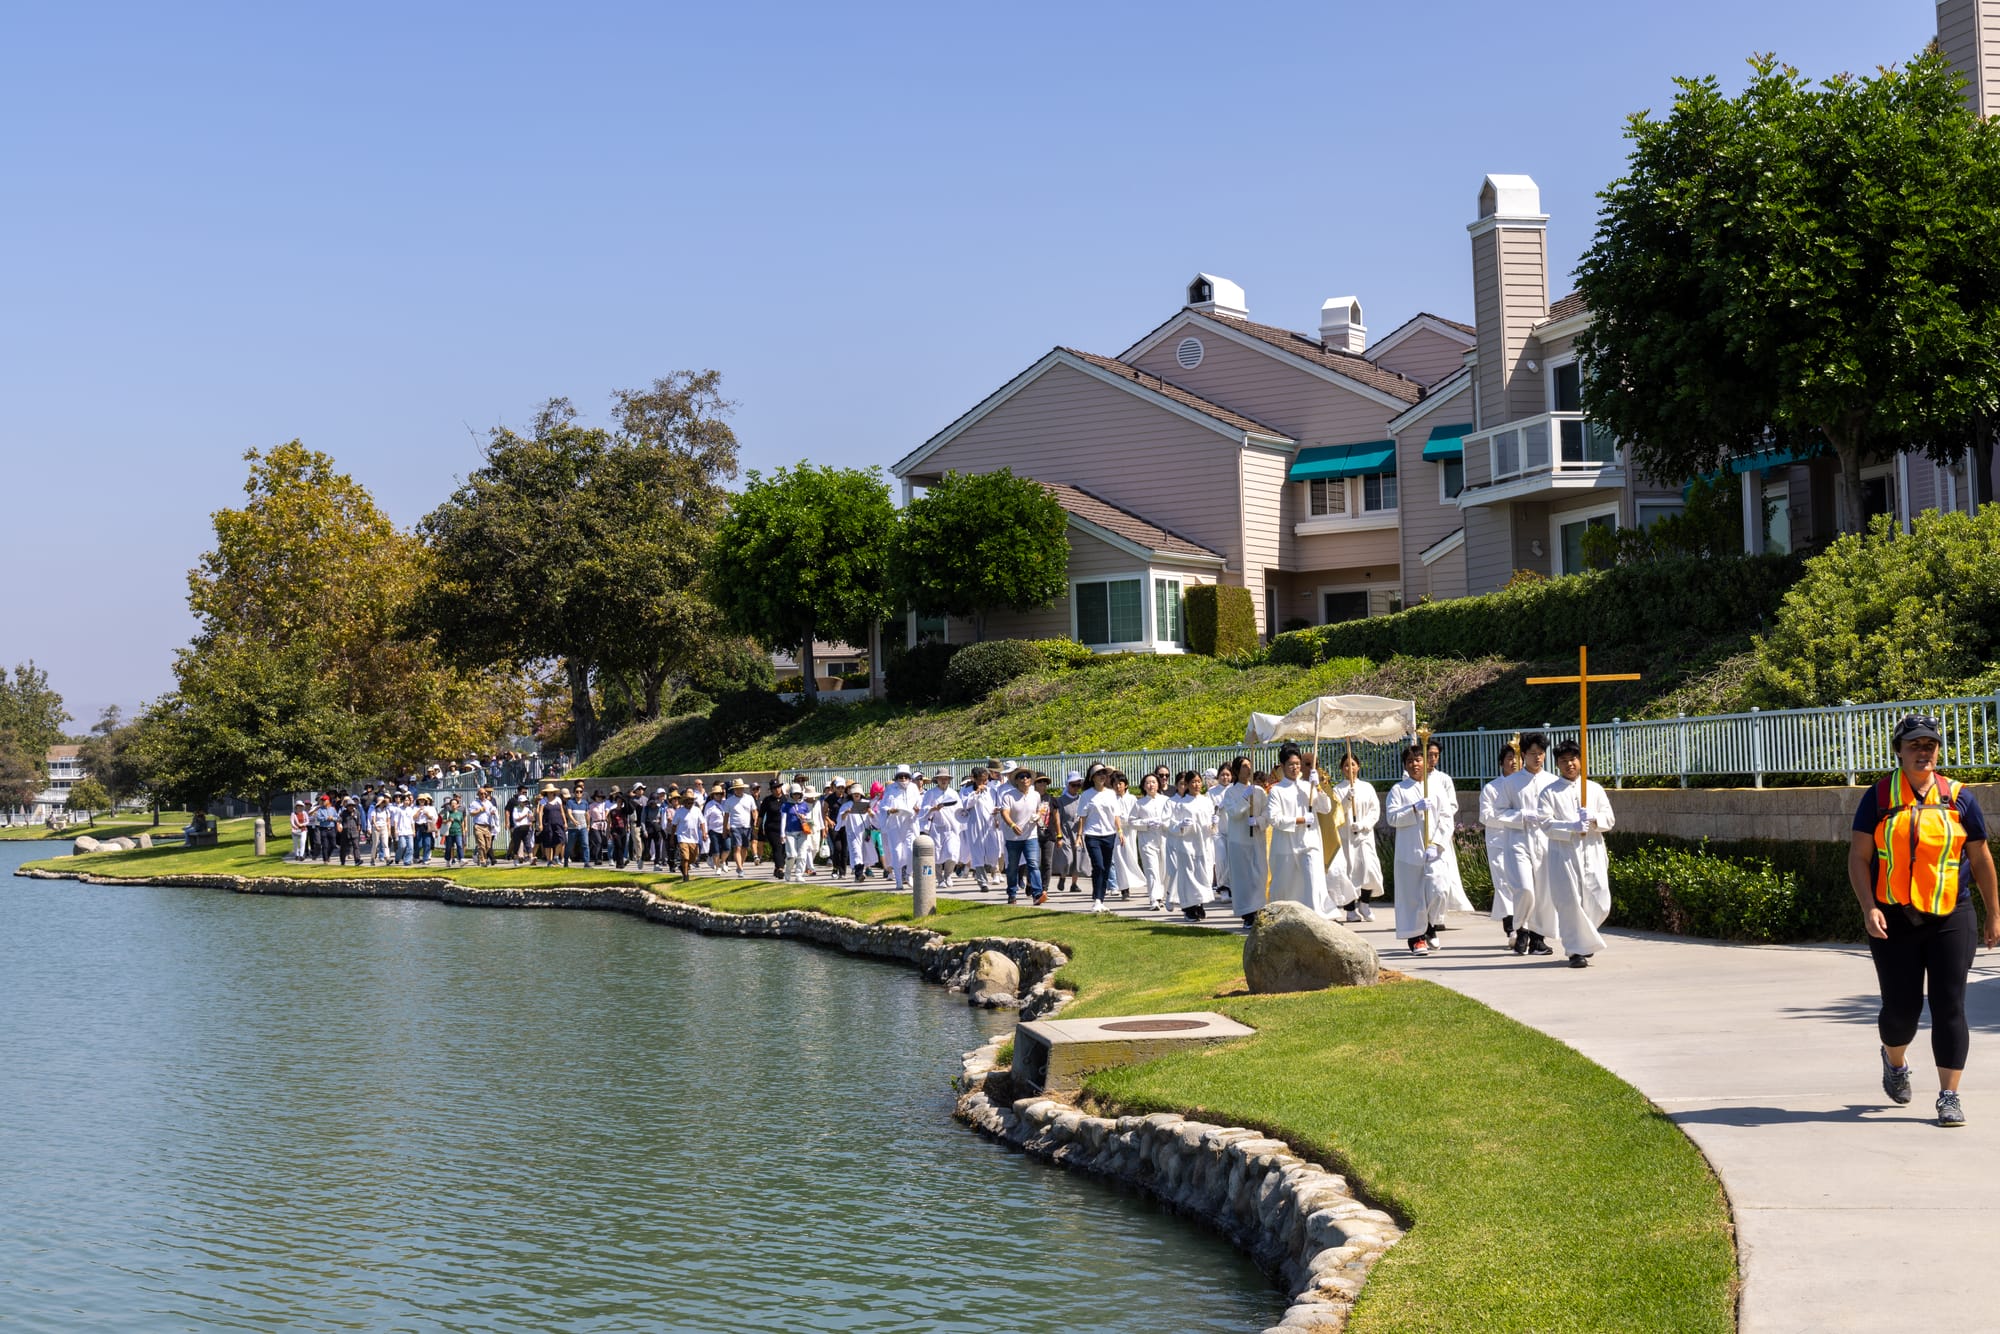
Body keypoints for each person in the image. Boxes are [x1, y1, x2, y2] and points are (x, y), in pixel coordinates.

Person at [1849, 714, 2000, 1127]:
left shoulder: (1959, 798)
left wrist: (1994, 915)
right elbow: (1859, 857)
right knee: (1902, 1010)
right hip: (1894, 919)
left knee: (1951, 1005)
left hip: (1953, 914)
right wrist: (1869, 906)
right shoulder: (1879, 796)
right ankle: (1894, 1060)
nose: (1923, 751)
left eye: (1930, 745)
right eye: (1914, 745)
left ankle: (1949, 1096)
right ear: (1898, 750)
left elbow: (1981, 858)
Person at [1538, 740, 1615, 969]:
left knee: (1600, 900)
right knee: (1570, 902)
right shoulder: (1549, 792)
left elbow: (1609, 819)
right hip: (1564, 853)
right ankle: (1575, 950)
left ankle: (1584, 940)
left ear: (1580, 761)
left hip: (1591, 850)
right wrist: (1571, 826)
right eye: (1563, 761)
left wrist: (1593, 818)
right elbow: (1545, 824)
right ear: (1558, 764)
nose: (1569, 764)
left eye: (1573, 759)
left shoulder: (1594, 789)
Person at [1386, 745, 1452, 954]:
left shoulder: (1437, 788)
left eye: (1418, 760)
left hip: (1434, 851)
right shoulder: (1398, 790)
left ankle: (1430, 925)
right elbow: (1392, 818)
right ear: (1405, 766)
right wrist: (1413, 808)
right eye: (1410, 761)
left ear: (1426, 762)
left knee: (1438, 889)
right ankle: (1416, 938)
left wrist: (1438, 843)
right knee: (1413, 895)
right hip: (1410, 852)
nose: (1415, 764)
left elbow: (1447, 818)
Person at [1498, 734, 1559, 956]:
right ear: (1522, 755)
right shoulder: (1511, 782)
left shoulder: (1552, 782)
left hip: (1545, 843)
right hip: (1518, 842)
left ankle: (1537, 939)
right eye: (1532, 753)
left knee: (1543, 892)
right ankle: (1520, 928)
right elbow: (1499, 812)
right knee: (1525, 889)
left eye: (1541, 753)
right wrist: (1522, 815)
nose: (1537, 758)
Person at [1265, 744, 1332, 914]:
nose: (1295, 768)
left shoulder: (1307, 787)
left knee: (1312, 879)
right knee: (1285, 884)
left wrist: (1318, 787)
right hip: (1286, 845)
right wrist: (1300, 820)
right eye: (1290, 764)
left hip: (1309, 842)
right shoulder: (1276, 791)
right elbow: (1274, 819)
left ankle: (1317, 915)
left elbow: (1325, 808)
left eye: (1297, 763)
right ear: (1282, 766)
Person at [1329, 751, 1380, 922]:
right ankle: (1350, 909)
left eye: (1352, 764)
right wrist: (1346, 800)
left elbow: (1375, 810)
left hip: (1364, 836)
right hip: (1345, 837)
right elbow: (1335, 814)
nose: (1349, 768)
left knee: (1369, 869)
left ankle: (1365, 903)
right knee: (1347, 871)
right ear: (1341, 769)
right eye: (1345, 765)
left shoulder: (1367, 787)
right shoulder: (1337, 790)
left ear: (1358, 766)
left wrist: (1364, 824)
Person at [1425, 740, 1472, 917]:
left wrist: (1440, 816)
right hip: (1421, 831)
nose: (1432, 758)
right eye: (1429, 754)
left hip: (1440, 831)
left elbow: (1452, 805)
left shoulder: (1443, 779)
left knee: (1443, 874)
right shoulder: (1411, 779)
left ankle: (1440, 914)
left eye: (1435, 755)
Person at [1479, 744, 1522, 936]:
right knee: (1504, 883)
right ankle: (1510, 926)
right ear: (1502, 762)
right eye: (1510, 758)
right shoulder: (1491, 788)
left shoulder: (1526, 785)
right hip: (1500, 842)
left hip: (1523, 841)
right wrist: (1512, 816)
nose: (1514, 762)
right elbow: (1486, 816)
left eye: (1518, 757)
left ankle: (1524, 924)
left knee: (1524, 883)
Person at [1218, 756, 1268, 921]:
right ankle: (1247, 913)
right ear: (1237, 771)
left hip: (1257, 839)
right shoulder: (1230, 792)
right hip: (1239, 842)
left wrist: (1259, 821)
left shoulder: (1259, 791)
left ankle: (1259, 908)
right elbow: (1232, 812)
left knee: (1259, 875)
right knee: (1244, 877)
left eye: (1250, 765)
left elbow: (1268, 812)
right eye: (1244, 766)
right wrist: (1244, 798)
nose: (1248, 768)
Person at [1167, 771, 1218, 920]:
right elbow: (1172, 824)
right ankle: (1189, 907)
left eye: (1198, 781)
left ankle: (1199, 904)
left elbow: (1212, 827)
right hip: (1187, 844)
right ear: (1187, 785)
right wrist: (1181, 825)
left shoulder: (1206, 801)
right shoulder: (1181, 804)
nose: (1196, 785)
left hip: (1203, 843)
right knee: (1188, 876)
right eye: (1193, 782)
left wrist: (1214, 822)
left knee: (1203, 875)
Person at [1075, 766, 1123, 911]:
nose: (1102, 776)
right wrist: (1079, 835)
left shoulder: (1111, 794)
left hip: (1109, 834)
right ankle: (1096, 898)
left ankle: (1100, 899)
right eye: (1098, 774)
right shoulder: (1086, 795)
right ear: (1092, 778)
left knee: (1106, 868)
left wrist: (1119, 831)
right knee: (1099, 866)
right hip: (1092, 835)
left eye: (1104, 774)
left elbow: (1116, 815)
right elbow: (1082, 817)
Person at [997, 765, 1046, 906]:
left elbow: (1038, 810)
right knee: (1012, 866)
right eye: (1021, 777)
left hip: (1031, 835)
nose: (1025, 779)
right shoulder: (1009, 796)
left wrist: (1038, 815)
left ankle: (1037, 893)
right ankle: (1012, 893)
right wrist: (1012, 825)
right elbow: (1004, 812)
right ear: (1016, 781)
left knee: (1033, 864)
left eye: (1027, 776)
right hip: (1013, 838)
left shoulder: (1035, 795)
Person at [877, 767, 922, 891]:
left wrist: (918, 809)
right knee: (896, 852)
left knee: (911, 850)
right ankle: (898, 880)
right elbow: (882, 806)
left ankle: (908, 874)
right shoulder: (890, 789)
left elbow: (919, 803)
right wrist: (889, 810)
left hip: (910, 823)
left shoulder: (914, 788)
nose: (903, 779)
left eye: (905, 776)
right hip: (895, 823)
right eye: (900, 776)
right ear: (896, 778)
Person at [920, 770, 963, 888]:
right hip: (936, 828)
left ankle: (948, 875)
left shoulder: (954, 793)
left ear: (949, 780)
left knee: (952, 853)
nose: (944, 780)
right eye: (941, 778)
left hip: (952, 828)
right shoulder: (931, 793)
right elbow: (923, 809)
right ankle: (939, 879)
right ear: (937, 780)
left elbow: (959, 810)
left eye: (946, 778)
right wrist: (933, 809)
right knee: (937, 856)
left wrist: (962, 821)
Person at [959, 769, 1000, 893]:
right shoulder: (966, 791)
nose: (984, 782)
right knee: (977, 853)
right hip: (974, 824)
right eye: (981, 780)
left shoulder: (992, 791)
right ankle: (982, 881)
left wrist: (997, 815)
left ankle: (994, 870)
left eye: (986, 780)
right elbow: (966, 805)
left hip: (990, 824)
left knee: (994, 852)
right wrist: (976, 793)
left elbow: (997, 805)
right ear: (974, 779)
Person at [1050, 772, 1085, 894]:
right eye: (1073, 785)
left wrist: (1080, 834)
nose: (1075, 787)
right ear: (1068, 785)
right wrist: (1058, 835)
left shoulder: (1081, 799)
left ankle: (1074, 884)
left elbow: (1083, 816)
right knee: (1067, 858)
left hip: (1078, 831)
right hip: (1065, 831)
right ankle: (1063, 876)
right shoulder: (1061, 800)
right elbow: (1057, 818)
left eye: (1078, 785)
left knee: (1078, 859)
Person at [840, 785, 877, 882]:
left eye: (858, 793)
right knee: (856, 852)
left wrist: (869, 812)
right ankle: (858, 874)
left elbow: (874, 818)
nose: (856, 794)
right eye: (854, 793)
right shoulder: (846, 805)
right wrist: (846, 813)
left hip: (865, 832)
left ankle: (862, 871)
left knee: (865, 853)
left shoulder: (867, 804)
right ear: (851, 794)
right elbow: (841, 820)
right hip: (853, 832)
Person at [781, 783, 817, 882]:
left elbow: (810, 819)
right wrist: (782, 834)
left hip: (802, 832)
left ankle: (799, 874)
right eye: (794, 794)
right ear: (791, 794)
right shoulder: (786, 805)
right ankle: (787, 872)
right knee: (792, 855)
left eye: (798, 794)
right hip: (790, 833)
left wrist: (804, 818)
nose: (796, 796)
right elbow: (783, 819)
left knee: (802, 854)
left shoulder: (804, 805)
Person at [470, 786, 498, 867]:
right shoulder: (474, 803)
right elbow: (471, 813)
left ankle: (480, 856)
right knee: (481, 844)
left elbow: (493, 809)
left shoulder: (488, 803)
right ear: (478, 794)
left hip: (487, 826)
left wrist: (493, 812)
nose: (483, 795)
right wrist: (480, 810)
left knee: (488, 846)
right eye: (481, 793)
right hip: (478, 826)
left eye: (484, 794)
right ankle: (483, 861)